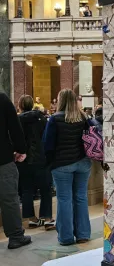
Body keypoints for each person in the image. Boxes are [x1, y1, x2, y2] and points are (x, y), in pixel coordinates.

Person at [42, 89, 93, 246]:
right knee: (81, 197)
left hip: (62, 164)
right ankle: (83, 234)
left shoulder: (55, 119)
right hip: (83, 163)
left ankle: (66, 237)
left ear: (60, 101)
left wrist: (50, 163)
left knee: (64, 199)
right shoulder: (84, 118)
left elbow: (47, 145)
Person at [16, 95, 54, 231]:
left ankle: (31, 219)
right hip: (41, 159)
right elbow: (48, 137)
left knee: (26, 190)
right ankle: (47, 218)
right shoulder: (42, 118)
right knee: (45, 189)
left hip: (24, 160)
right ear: (32, 105)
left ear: (20, 105)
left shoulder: (18, 120)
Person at [0, 92, 32, 249]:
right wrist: (21, 149)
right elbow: (14, 126)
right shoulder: (1, 98)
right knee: (9, 200)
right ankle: (15, 237)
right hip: (3, 159)